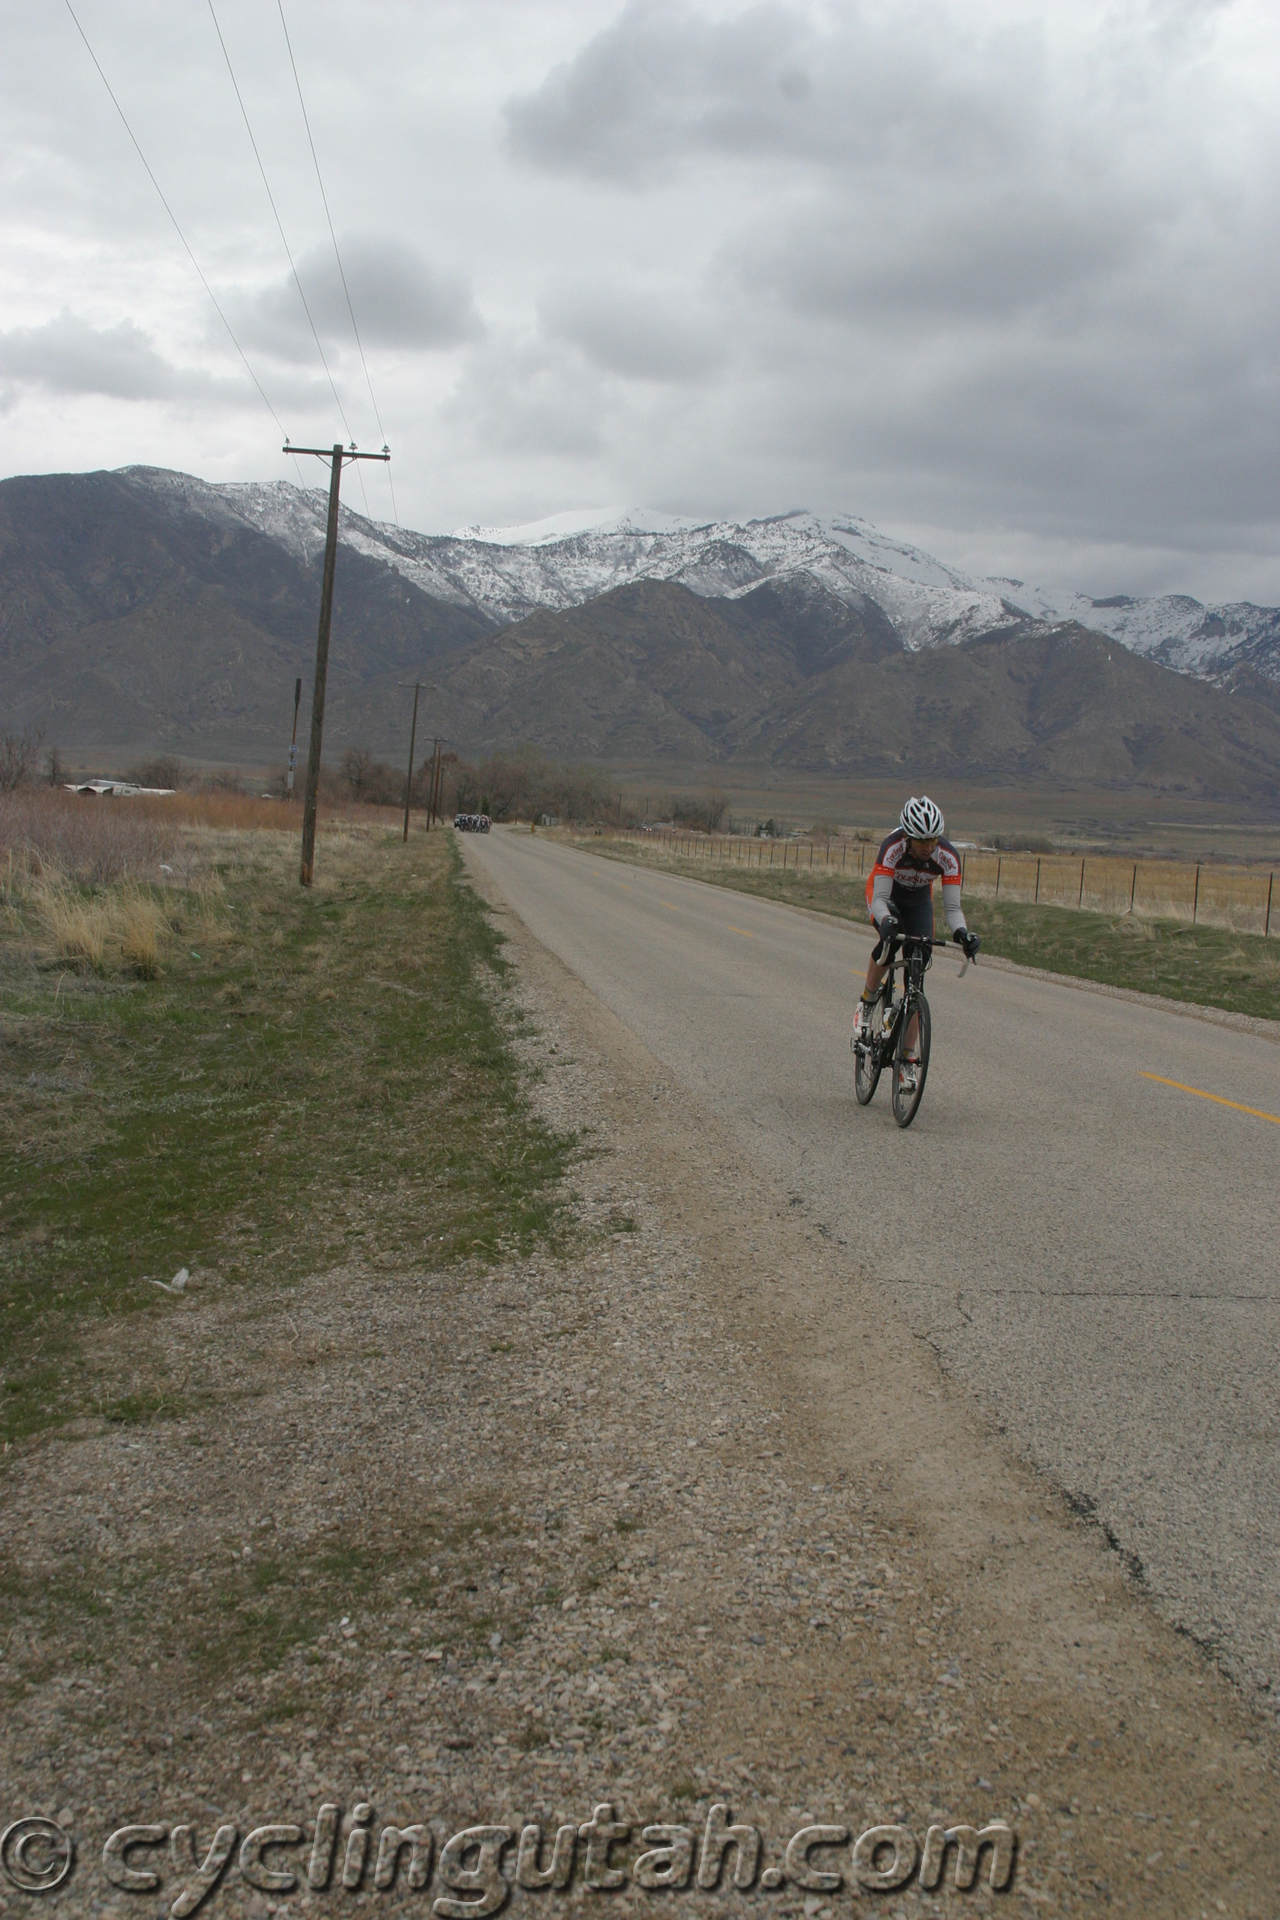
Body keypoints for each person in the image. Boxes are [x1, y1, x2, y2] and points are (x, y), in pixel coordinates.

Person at [854, 796, 980, 1087]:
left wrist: (963, 933)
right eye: (921, 840)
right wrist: (885, 920)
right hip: (887, 897)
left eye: (932, 839)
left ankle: (907, 1059)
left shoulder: (947, 856)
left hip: (919, 901)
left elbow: (952, 909)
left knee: (917, 975)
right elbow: (880, 900)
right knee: (889, 944)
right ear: (907, 837)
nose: (927, 847)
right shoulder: (892, 847)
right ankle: (868, 1000)